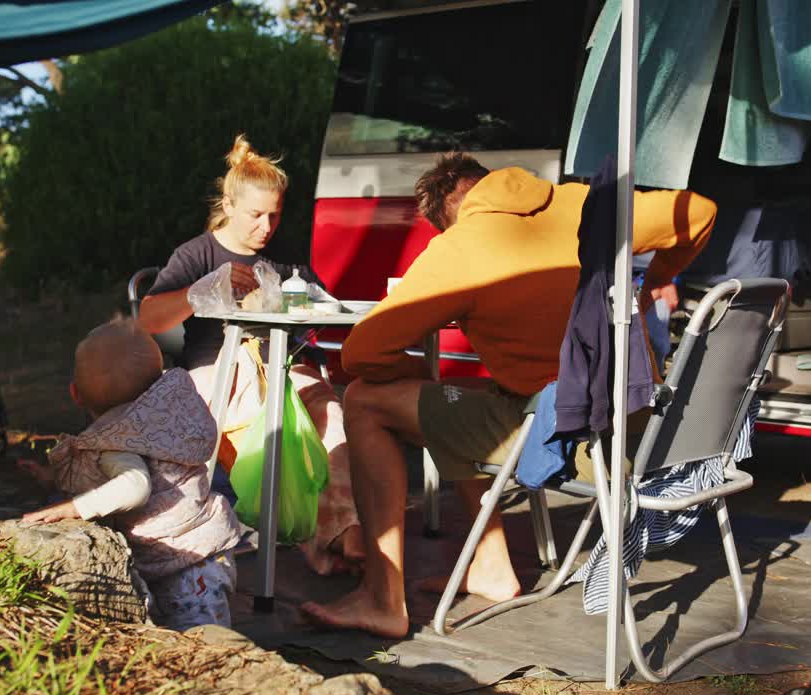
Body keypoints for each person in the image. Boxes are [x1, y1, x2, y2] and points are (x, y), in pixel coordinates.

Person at [300, 152, 717, 638]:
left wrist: (409, 374)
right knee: (459, 401)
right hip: (649, 429)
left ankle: (381, 598)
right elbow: (701, 211)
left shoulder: (461, 246)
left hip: (583, 443)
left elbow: (361, 353)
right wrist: (662, 274)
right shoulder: (580, 202)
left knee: (366, 402)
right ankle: (492, 566)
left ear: (447, 219)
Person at [137, 135, 361, 576]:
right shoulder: (198, 253)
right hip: (217, 370)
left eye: (275, 215)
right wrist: (206, 289)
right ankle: (319, 535)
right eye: (256, 215)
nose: (266, 227)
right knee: (270, 421)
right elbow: (149, 317)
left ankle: (337, 526)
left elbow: (323, 307)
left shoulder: (281, 258)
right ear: (229, 204)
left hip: (282, 364)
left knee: (331, 412)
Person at [19, 320, 242, 629]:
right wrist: (51, 478)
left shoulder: (116, 440)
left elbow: (133, 487)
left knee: (205, 643)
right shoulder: (161, 421)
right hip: (203, 554)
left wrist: (75, 508)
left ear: (75, 394)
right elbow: (101, 480)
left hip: (189, 571)